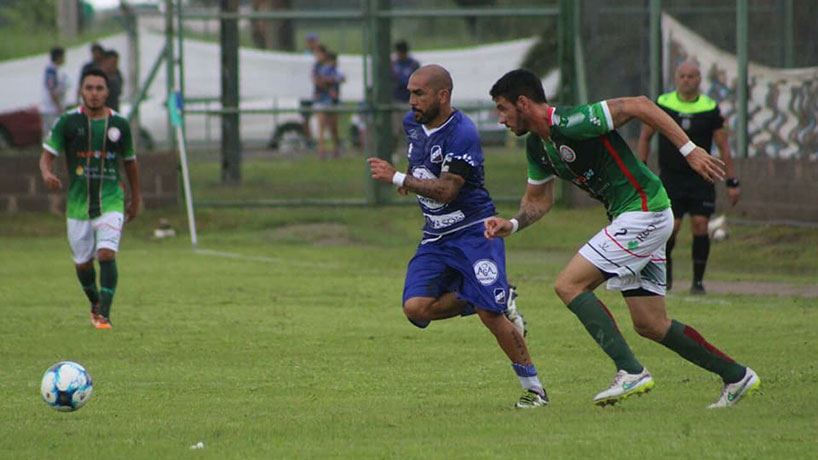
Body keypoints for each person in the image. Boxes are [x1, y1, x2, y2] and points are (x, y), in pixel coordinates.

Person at [484, 68, 759, 408]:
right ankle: (736, 375)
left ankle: (631, 370)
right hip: (633, 217)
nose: (500, 119)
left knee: (569, 285)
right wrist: (510, 224)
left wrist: (690, 150)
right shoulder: (538, 148)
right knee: (651, 323)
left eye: (502, 108)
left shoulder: (572, 122)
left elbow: (640, 105)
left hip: (646, 210)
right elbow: (538, 200)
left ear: (522, 103)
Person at [367, 65, 548, 409]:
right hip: (436, 236)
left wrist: (399, 179)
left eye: (419, 93)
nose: (412, 101)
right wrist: (413, 178)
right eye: (410, 92)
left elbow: (449, 190)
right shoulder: (413, 124)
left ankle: (535, 390)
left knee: (490, 315)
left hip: (473, 231)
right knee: (415, 308)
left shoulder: (462, 133)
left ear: (443, 95)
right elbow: (424, 163)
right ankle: (496, 294)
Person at [39, 68, 141, 330]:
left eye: (99, 89)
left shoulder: (119, 124)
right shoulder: (68, 122)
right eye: (89, 88)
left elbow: (130, 163)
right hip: (78, 204)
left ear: (107, 92)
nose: (94, 94)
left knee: (106, 253)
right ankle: (95, 302)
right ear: (81, 91)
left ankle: (104, 315)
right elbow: (47, 154)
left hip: (111, 198)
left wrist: (136, 199)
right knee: (84, 264)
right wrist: (47, 172)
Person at [637, 60, 740, 295]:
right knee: (671, 227)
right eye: (682, 76)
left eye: (691, 76)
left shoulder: (709, 108)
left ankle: (698, 282)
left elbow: (724, 147)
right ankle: (667, 277)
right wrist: (640, 170)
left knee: (701, 225)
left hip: (701, 177)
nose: (686, 80)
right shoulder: (663, 103)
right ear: (676, 79)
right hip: (671, 177)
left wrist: (732, 181)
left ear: (699, 79)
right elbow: (645, 137)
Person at [313, 51, 345, 159]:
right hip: (323, 101)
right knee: (321, 126)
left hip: (333, 102)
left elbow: (342, 78)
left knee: (333, 127)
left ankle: (336, 149)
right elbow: (319, 81)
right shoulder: (323, 70)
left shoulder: (337, 71)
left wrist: (331, 81)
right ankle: (322, 150)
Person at [391, 40, 421, 154]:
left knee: (411, 128)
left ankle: (412, 152)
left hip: (410, 100)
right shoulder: (394, 64)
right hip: (397, 99)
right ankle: (394, 152)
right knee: (395, 128)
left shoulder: (413, 64)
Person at [41, 47, 69, 141]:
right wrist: (60, 107)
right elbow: (51, 91)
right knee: (51, 135)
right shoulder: (51, 71)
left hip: (56, 107)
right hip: (51, 109)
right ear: (59, 57)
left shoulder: (58, 70)